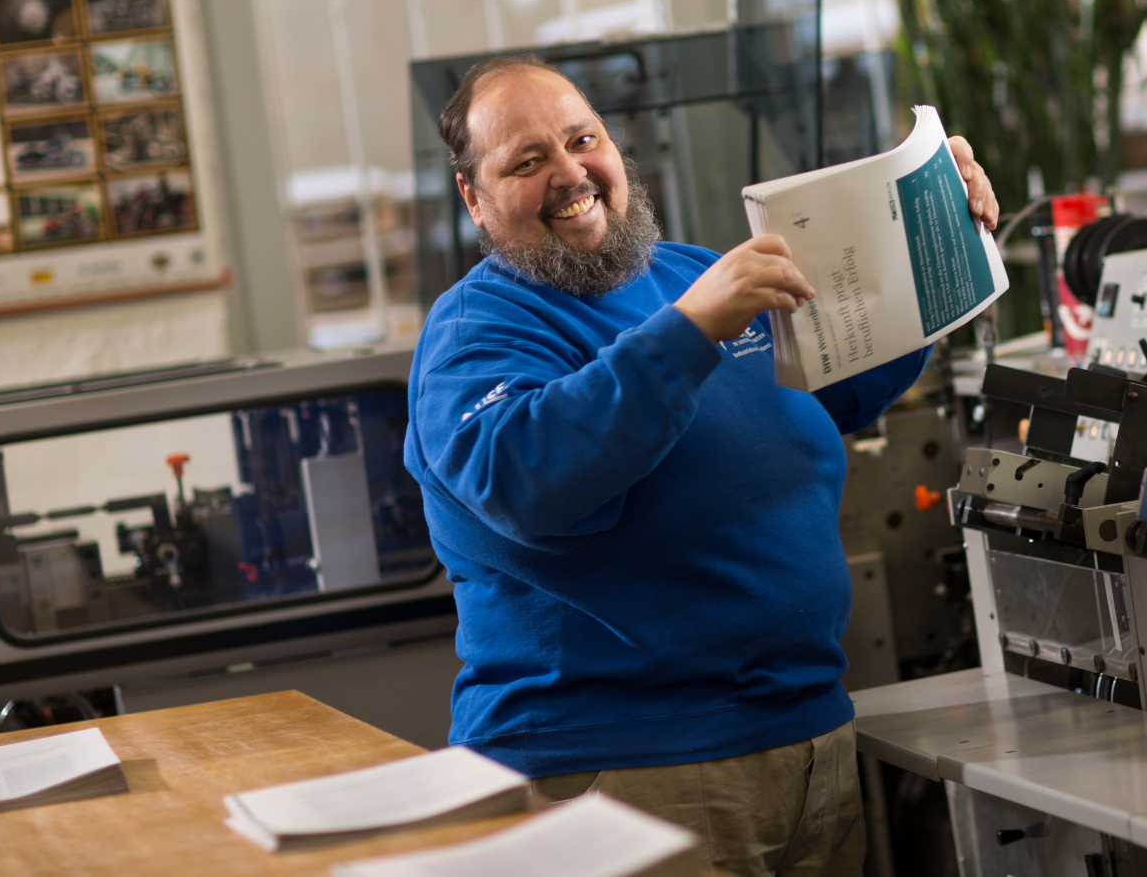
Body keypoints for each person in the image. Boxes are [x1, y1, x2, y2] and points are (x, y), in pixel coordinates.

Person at [403, 53, 998, 877]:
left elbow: (843, 378)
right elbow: (526, 477)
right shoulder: (477, 328)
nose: (571, 173)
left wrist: (940, 239)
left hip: (807, 744)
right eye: (527, 161)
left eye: (583, 140)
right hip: (620, 772)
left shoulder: (689, 274)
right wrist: (690, 332)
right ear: (474, 197)